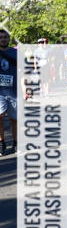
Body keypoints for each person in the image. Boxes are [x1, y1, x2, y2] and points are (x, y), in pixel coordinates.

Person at [0, 28, 17, 156]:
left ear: (8, 39)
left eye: (5, 37)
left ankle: (16, 143)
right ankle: (2, 143)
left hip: (14, 91)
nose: (3, 39)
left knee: (14, 120)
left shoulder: (14, 53)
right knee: (0, 116)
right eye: (1, 37)